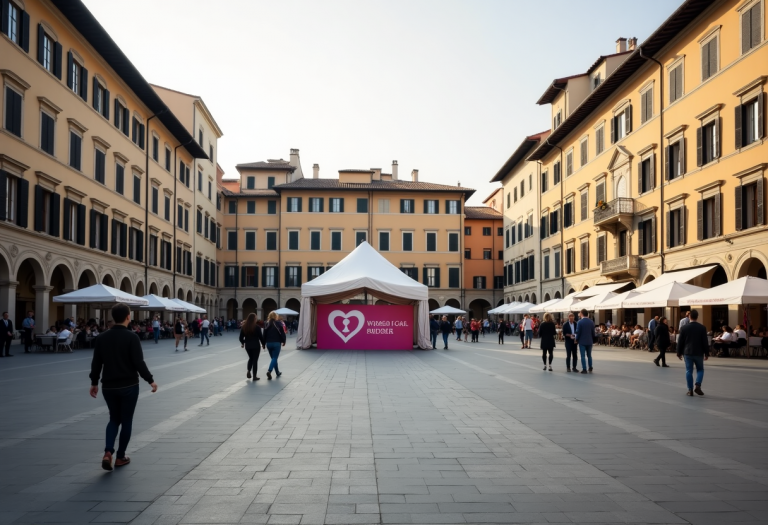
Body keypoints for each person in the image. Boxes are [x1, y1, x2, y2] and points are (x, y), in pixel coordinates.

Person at [89, 303, 158, 471]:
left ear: (113, 317)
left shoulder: (102, 337)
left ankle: (108, 451)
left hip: (108, 386)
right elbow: (138, 362)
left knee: (114, 419)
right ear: (128, 316)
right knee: (126, 420)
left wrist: (94, 382)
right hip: (129, 385)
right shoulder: (132, 337)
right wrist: (150, 380)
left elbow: (96, 363)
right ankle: (120, 457)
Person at [676, 309, 708, 396]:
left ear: (689, 316)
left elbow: (680, 341)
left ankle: (690, 389)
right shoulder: (702, 328)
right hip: (699, 352)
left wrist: (678, 352)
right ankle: (698, 384)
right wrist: (706, 353)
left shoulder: (684, 328)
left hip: (687, 352)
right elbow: (705, 341)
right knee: (700, 369)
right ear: (697, 317)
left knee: (688, 371)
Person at [239, 313, 264, 380]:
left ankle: (248, 371)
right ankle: (254, 376)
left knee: (251, 358)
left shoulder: (244, 327)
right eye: (255, 318)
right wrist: (263, 344)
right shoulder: (257, 327)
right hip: (256, 346)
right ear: (254, 319)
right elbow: (261, 337)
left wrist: (243, 342)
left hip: (248, 346)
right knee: (255, 360)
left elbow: (240, 338)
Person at [264, 311, 286, 380]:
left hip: (268, 343)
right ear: (276, 316)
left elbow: (264, 334)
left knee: (273, 359)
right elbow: (282, 333)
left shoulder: (267, 324)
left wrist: (263, 343)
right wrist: (284, 341)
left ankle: (277, 372)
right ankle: (269, 371)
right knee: (275, 358)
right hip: (276, 343)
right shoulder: (279, 323)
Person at [575, 309, 595, 374]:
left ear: (581, 314)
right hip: (589, 341)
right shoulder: (591, 322)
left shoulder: (580, 322)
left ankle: (584, 369)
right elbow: (593, 332)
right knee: (589, 355)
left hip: (582, 341)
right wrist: (593, 339)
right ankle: (590, 367)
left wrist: (576, 339)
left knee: (583, 356)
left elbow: (578, 332)